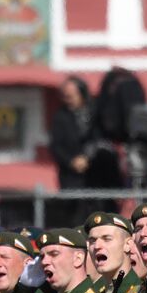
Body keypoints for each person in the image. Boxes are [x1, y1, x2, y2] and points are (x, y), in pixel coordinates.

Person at [48, 77, 96, 228]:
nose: (68, 100)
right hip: (70, 177)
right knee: (74, 218)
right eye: (65, 96)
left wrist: (88, 158)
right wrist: (71, 161)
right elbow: (56, 146)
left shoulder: (94, 114)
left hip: (95, 176)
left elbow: (99, 140)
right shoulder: (61, 117)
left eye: (71, 96)